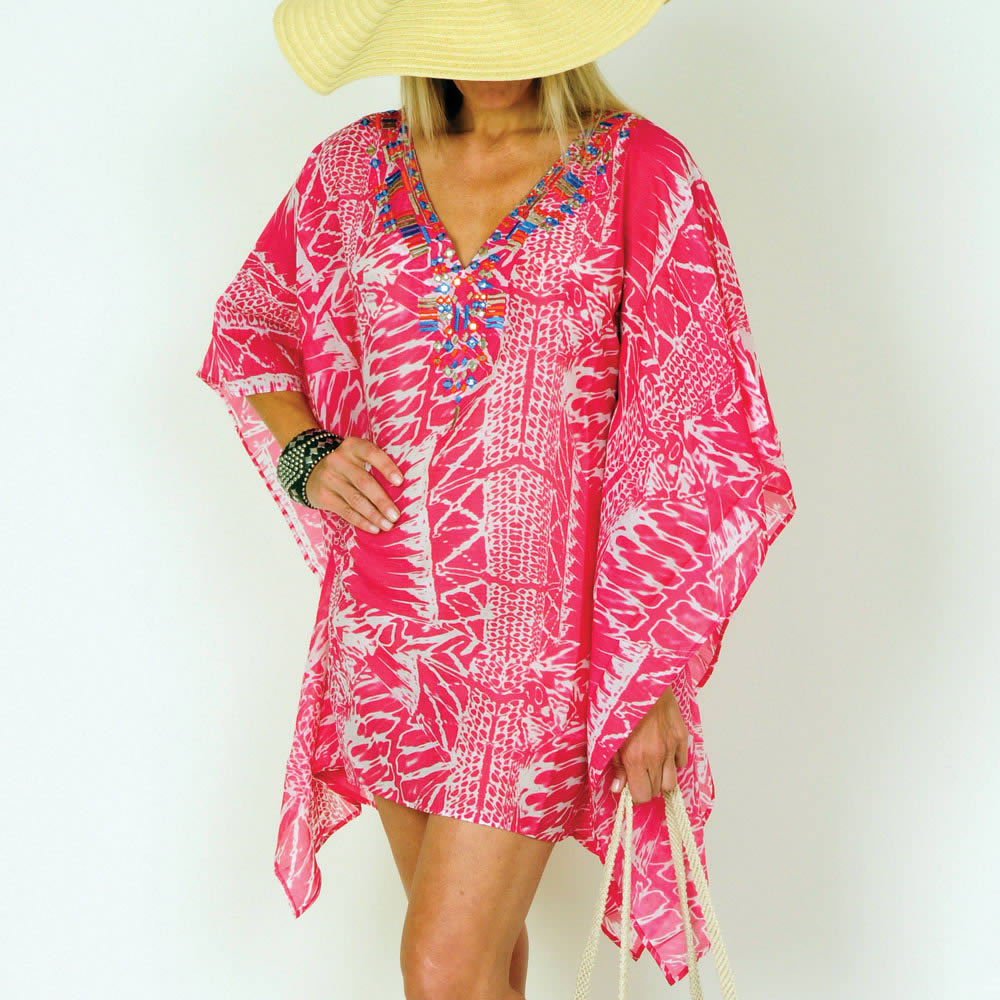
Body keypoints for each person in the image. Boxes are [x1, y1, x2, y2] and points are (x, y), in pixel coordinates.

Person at [195, 2, 796, 996]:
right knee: (478, 970)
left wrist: (652, 674)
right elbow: (251, 321)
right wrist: (306, 450)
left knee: (439, 967)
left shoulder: (638, 170)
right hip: (385, 631)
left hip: (541, 644)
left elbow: (698, 429)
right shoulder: (353, 168)